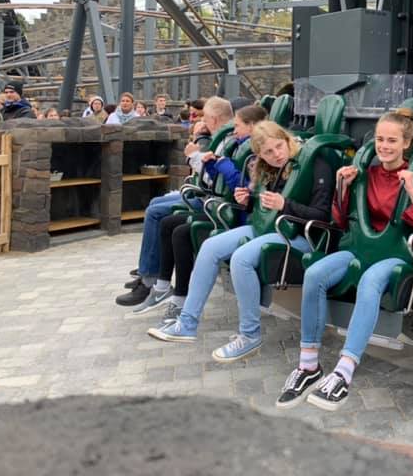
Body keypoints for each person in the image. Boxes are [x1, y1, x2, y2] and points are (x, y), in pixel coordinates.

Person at [276, 108, 413, 411]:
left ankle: (345, 370)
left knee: (370, 280)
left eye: (392, 140)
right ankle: (309, 365)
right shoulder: (367, 174)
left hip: (397, 255)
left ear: (406, 143)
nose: (384, 146)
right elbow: (341, 221)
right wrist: (343, 187)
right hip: (360, 248)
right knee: (315, 274)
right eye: (380, 139)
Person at [147, 120, 334, 360]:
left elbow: (322, 215)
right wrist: (247, 200)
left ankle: (249, 335)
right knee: (210, 246)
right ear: (260, 155)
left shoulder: (315, 164)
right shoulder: (267, 169)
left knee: (241, 258)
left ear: (287, 140)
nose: (277, 154)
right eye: (268, 152)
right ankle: (187, 323)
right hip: (268, 228)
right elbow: (264, 207)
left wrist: (284, 204)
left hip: (300, 237)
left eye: (279, 146)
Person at [128, 104, 267, 317]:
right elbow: (224, 180)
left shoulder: (250, 151)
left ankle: (178, 299)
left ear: (252, 126)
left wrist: (216, 163)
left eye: (238, 126)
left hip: (229, 211)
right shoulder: (237, 145)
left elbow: (239, 184)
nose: (234, 129)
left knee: (180, 231)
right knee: (168, 223)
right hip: (221, 204)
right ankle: (162, 287)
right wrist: (212, 163)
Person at [114, 97, 242, 307]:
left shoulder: (226, 140)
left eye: (204, 118)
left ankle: (149, 279)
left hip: (209, 199)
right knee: (155, 203)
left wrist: (193, 157)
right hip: (205, 194)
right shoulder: (219, 137)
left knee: (156, 213)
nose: (201, 121)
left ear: (213, 118)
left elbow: (213, 180)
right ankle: (148, 271)